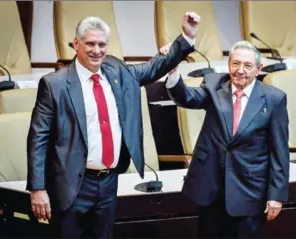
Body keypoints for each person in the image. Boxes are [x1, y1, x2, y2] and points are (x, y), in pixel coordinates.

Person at [27, 12, 200, 238]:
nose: (96, 50)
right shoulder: (55, 84)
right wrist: (37, 189)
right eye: (90, 43)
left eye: (102, 44)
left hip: (108, 182)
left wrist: (185, 37)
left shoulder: (117, 70)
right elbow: (38, 138)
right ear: (76, 44)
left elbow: (154, 67)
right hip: (71, 184)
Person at [162, 40, 290, 238]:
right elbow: (186, 97)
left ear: (259, 69)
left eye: (247, 66)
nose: (240, 71)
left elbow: (279, 151)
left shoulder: (274, 99)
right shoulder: (214, 85)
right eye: (235, 64)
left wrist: (276, 195)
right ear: (228, 64)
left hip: (250, 191)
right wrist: (172, 70)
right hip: (212, 190)